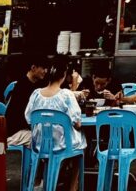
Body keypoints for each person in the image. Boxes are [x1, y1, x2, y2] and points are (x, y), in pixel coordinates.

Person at [25, 56, 85, 191]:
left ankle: (47, 180)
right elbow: (77, 123)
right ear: (64, 75)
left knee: (65, 142)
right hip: (61, 145)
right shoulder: (66, 95)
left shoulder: (35, 94)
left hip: (40, 145)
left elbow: (29, 118)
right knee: (81, 143)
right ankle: (73, 187)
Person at [5, 55, 49, 146]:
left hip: (25, 129)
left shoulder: (34, 84)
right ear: (33, 68)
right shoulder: (23, 86)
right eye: (43, 68)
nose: (46, 71)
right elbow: (25, 116)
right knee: (47, 140)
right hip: (15, 133)